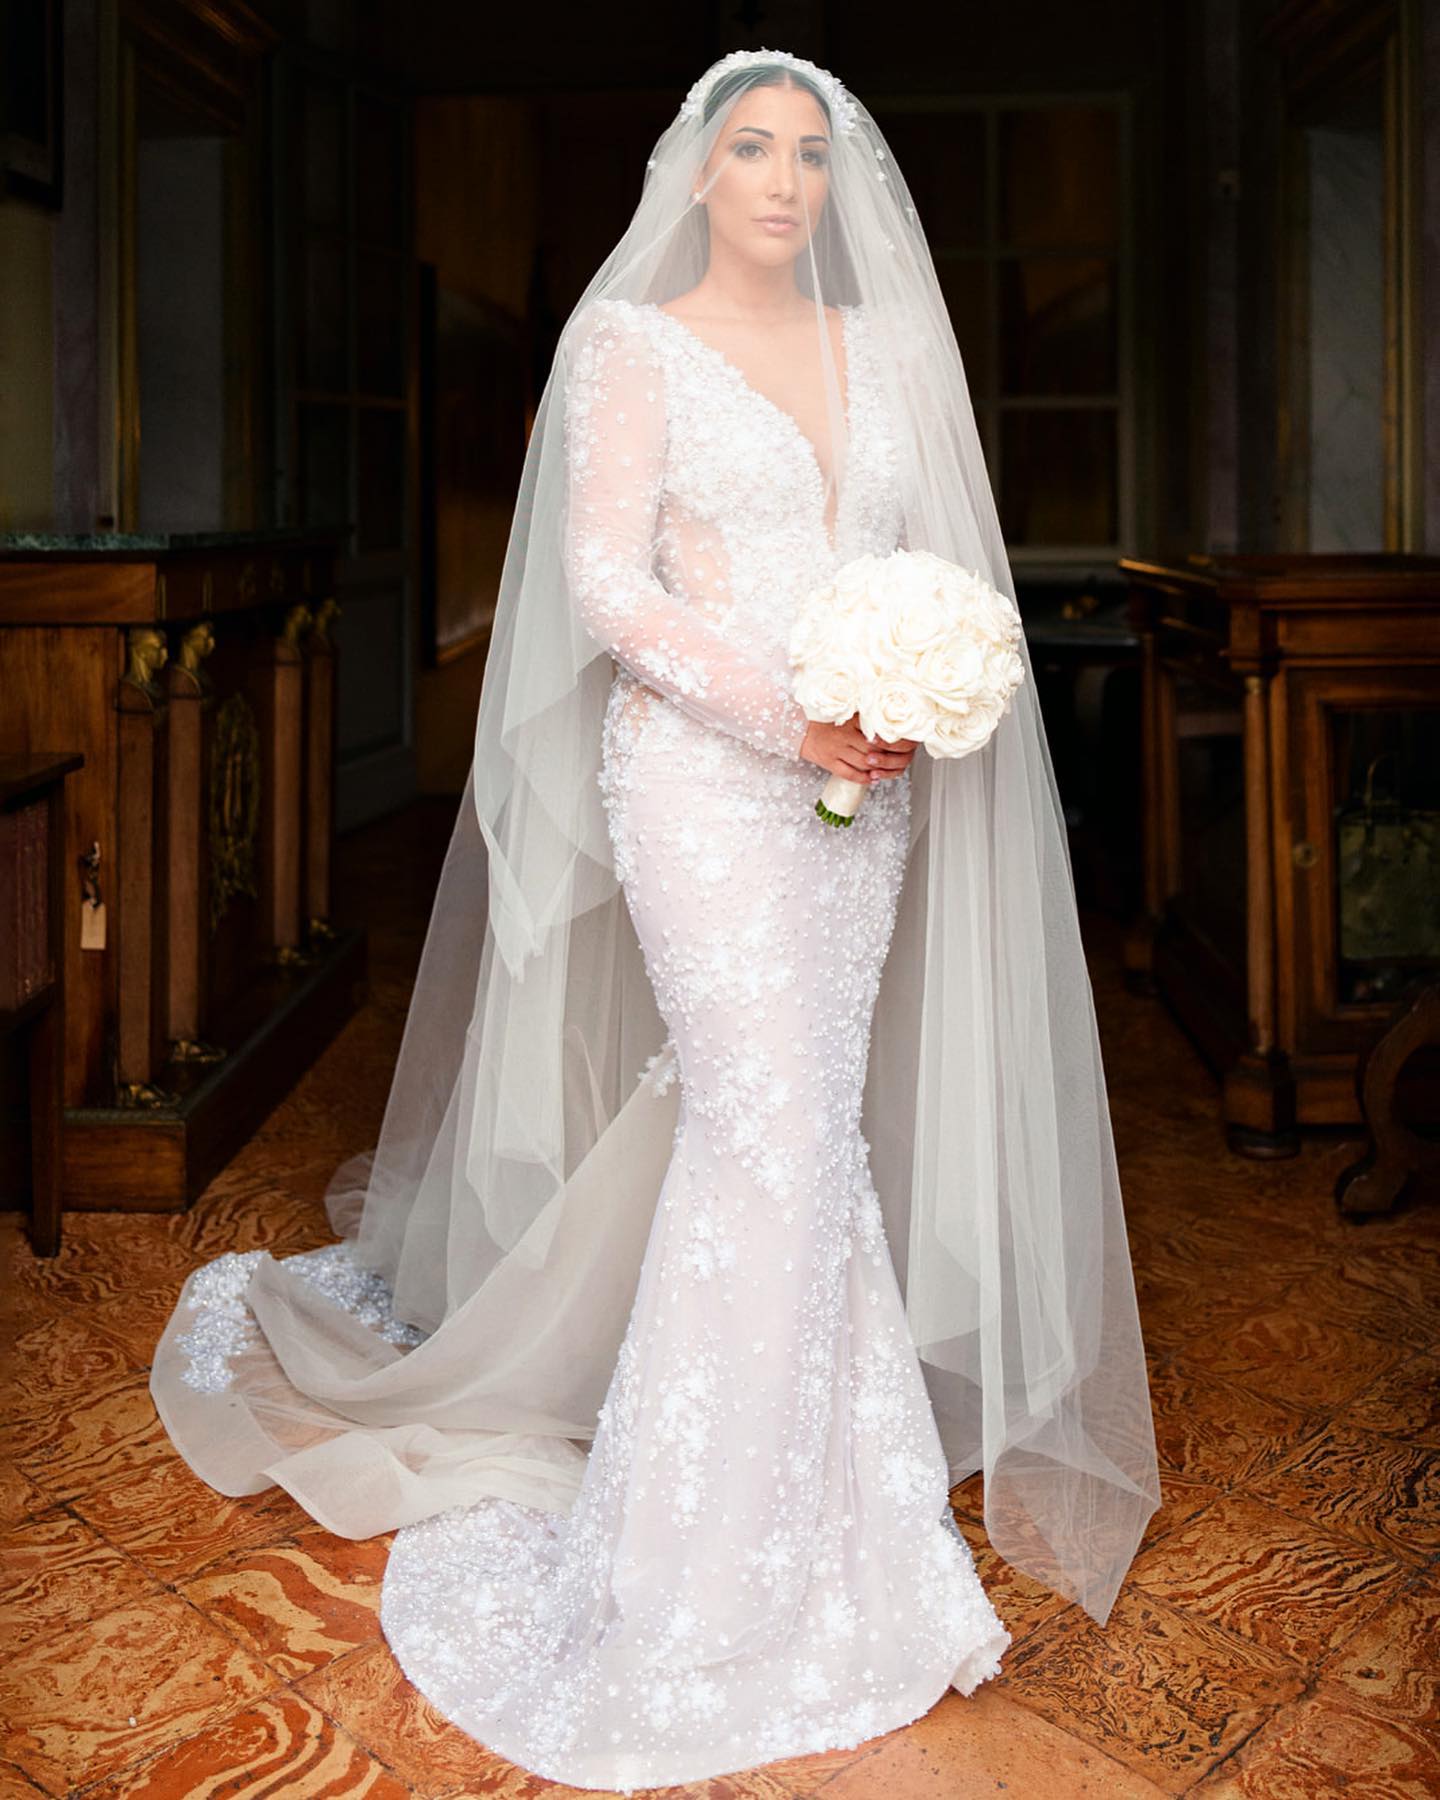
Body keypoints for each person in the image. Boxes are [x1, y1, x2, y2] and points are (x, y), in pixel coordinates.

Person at [150, 47, 1161, 1792]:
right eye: (750, 147)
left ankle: (839, 1523)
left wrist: (909, 684)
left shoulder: (890, 348)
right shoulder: (631, 345)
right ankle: (691, 1571)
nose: (782, 179)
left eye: (810, 154)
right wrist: (792, 712)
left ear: (840, 184)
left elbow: (928, 569)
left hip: (861, 801)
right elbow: (608, 586)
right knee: (767, 1125)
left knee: (807, 1130)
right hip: (701, 779)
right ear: (695, 172)